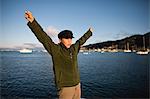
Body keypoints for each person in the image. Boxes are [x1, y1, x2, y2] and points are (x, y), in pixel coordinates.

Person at [25, 11, 93, 99]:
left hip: (77, 85)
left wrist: (89, 32)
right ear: (60, 39)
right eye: (66, 38)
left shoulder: (74, 49)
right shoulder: (56, 50)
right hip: (65, 87)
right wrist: (33, 22)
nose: (69, 40)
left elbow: (80, 41)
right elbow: (43, 38)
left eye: (70, 38)